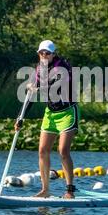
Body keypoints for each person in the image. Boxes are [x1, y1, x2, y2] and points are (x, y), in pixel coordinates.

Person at [14, 40, 80, 199]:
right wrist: (20, 117)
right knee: (42, 150)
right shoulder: (39, 70)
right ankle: (45, 190)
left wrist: (37, 88)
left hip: (67, 112)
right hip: (51, 113)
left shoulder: (62, 67)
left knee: (63, 150)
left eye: (48, 53)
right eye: (41, 53)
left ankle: (70, 190)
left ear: (53, 54)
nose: (44, 55)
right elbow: (30, 97)